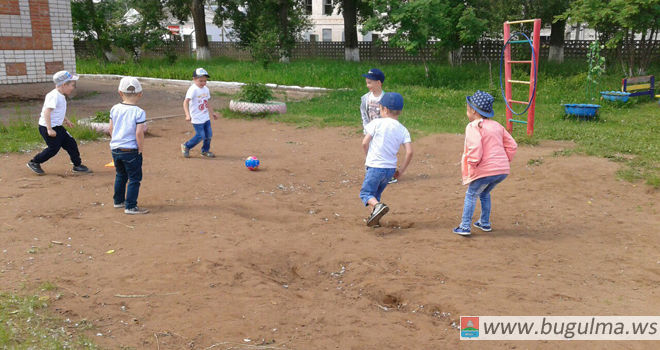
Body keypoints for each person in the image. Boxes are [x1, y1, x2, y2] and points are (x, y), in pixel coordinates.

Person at [453, 90, 517, 236]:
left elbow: (475, 146)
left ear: (474, 111)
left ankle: (464, 226)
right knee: (484, 192)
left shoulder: (473, 126)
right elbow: (512, 145)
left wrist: (473, 163)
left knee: (471, 194)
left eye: (467, 109)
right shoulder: (497, 126)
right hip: (502, 171)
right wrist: (504, 161)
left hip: (484, 170)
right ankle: (484, 223)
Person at [359, 92, 413, 227]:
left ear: (385, 109)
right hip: (390, 170)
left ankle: (377, 207)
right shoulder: (403, 129)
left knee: (366, 193)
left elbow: (365, 143)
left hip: (375, 166)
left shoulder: (376, 123)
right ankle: (374, 219)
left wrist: (368, 156)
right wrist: (400, 170)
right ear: (399, 111)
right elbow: (410, 152)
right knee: (375, 194)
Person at [27, 71, 92, 175]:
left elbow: (58, 111)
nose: (73, 87)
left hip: (57, 126)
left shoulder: (61, 95)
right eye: (72, 85)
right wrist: (49, 129)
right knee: (54, 148)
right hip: (47, 127)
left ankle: (77, 165)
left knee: (71, 143)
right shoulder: (54, 96)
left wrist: (66, 120)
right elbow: (47, 112)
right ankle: (34, 162)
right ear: (64, 85)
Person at [109, 77, 149, 215]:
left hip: (115, 148)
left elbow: (111, 128)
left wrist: (115, 141)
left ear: (120, 92)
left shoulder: (114, 108)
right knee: (134, 178)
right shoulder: (139, 112)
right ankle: (131, 206)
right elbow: (139, 132)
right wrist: (140, 148)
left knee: (120, 175)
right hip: (131, 149)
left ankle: (118, 201)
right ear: (140, 94)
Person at [360, 68, 398, 184]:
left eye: (370, 82)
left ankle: (389, 174)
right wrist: (366, 128)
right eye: (367, 82)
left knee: (384, 152)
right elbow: (364, 113)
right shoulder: (365, 98)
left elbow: (391, 115)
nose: (367, 85)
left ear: (379, 83)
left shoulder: (386, 99)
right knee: (371, 150)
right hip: (371, 130)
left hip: (384, 131)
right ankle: (373, 171)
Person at [181, 68, 219, 158]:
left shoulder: (206, 89)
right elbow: (185, 102)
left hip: (205, 117)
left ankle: (205, 151)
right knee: (200, 135)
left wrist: (212, 113)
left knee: (208, 135)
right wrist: (187, 114)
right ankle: (186, 146)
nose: (203, 83)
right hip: (197, 117)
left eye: (205, 81)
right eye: (200, 81)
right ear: (194, 79)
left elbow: (207, 102)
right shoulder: (193, 89)